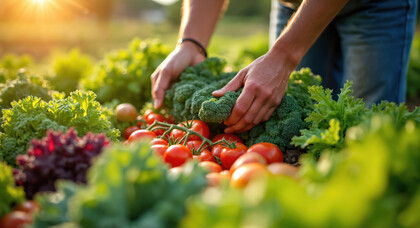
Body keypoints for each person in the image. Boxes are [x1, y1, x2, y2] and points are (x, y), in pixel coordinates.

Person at [151, 0, 418, 134]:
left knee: (370, 125)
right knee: (299, 124)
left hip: (376, 5)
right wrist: (191, 42)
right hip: (293, 4)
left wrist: (285, 56)